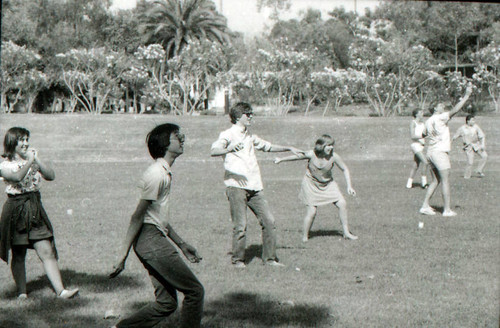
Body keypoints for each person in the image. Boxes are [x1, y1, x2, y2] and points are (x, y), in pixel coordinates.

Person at [110, 123, 204, 328]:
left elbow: (157, 217)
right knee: (194, 291)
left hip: (153, 237)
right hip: (150, 240)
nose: (182, 139)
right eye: (177, 136)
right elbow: (137, 217)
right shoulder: (157, 174)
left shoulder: (163, 172)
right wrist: (122, 256)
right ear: (165, 143)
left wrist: (182, 244)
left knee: (166, 303)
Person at [210, 102, 302, 268]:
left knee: (269, 221)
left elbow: (268, 147)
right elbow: (214, 150)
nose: (251, 116)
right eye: (248, 114)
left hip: (254, 187)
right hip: (236, 186)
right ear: (238, 117)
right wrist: (229, 149)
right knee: (240, 226)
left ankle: (270, 259)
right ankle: (238, 260)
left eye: (251, 113)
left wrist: (288, 148)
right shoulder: (228, 134)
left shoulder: (250, 136)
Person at [0, 127, 79, 299]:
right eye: (22, 140)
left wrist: (37, 160)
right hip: (16, 208)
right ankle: (22, 293)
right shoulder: (4, 164)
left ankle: (61, 291)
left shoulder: (32, 159)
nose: (26, 143)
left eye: (27, 139)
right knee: (18, 252)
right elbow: (16, 177)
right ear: (12, 142)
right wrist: (29, 161)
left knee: (46, 250)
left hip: (34, 207)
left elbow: (51, 175)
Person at [275, 134, 358, 242]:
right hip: (311, 184)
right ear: (321, 146)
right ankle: (304, 237)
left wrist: (349, 186)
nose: (331, 148)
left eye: (332, 145)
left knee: (342, 203)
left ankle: (346, 233)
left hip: (328, 184)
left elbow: (345, 169)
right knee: (312, 211)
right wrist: (281, 159)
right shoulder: (311, 154)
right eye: (328, 145)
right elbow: (297, 156)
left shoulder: (334, 156)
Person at [419, 85, 473, 217]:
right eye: (440, 105)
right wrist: (466, 96)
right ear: (435, 108)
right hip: (439, 152)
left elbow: (423, 134)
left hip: (430, 152)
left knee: (435, 180)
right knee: (445, 180)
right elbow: (455, 110)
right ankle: (447, 210)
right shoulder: (440, 117)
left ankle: (425, 206)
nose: (443, 107)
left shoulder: (428, 121)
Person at [452, 114, 487, 179]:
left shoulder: (476, 127)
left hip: (476, 145)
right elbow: (455, 136)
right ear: (468, 121)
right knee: (470, 162)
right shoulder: (462, 128)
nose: (474, 121)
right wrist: (451, 141)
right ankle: (467, 176)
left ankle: (479, 170)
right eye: (472, 120)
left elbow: (482, 136)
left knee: (484, 156)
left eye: (474, 120)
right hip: (468, 147)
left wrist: (482, 145)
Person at [406, 109, 429, 189]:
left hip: (422, 145)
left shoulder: (423, 123)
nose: (422, 114)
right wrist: (422, 137)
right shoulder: (413, 123)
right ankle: (424, 183)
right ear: (416, 115)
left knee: (415, 165)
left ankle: (409, 184)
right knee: (425, 162)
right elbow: (412, 136)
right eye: (420, 112)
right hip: (416, 145)